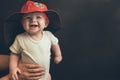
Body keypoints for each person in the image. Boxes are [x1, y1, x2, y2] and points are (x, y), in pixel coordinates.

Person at [4, 0, 62, 80]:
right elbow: (14, 54)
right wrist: (13, 68)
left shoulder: (48, 35)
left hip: (45, 75)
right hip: (26, 76)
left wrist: (58, 55)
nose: (33, 20)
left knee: (48, 77)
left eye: (38, 17)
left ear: (46, 23)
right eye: (28, 18)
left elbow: (55, 44)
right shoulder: (20, 38)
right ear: (22, 23)